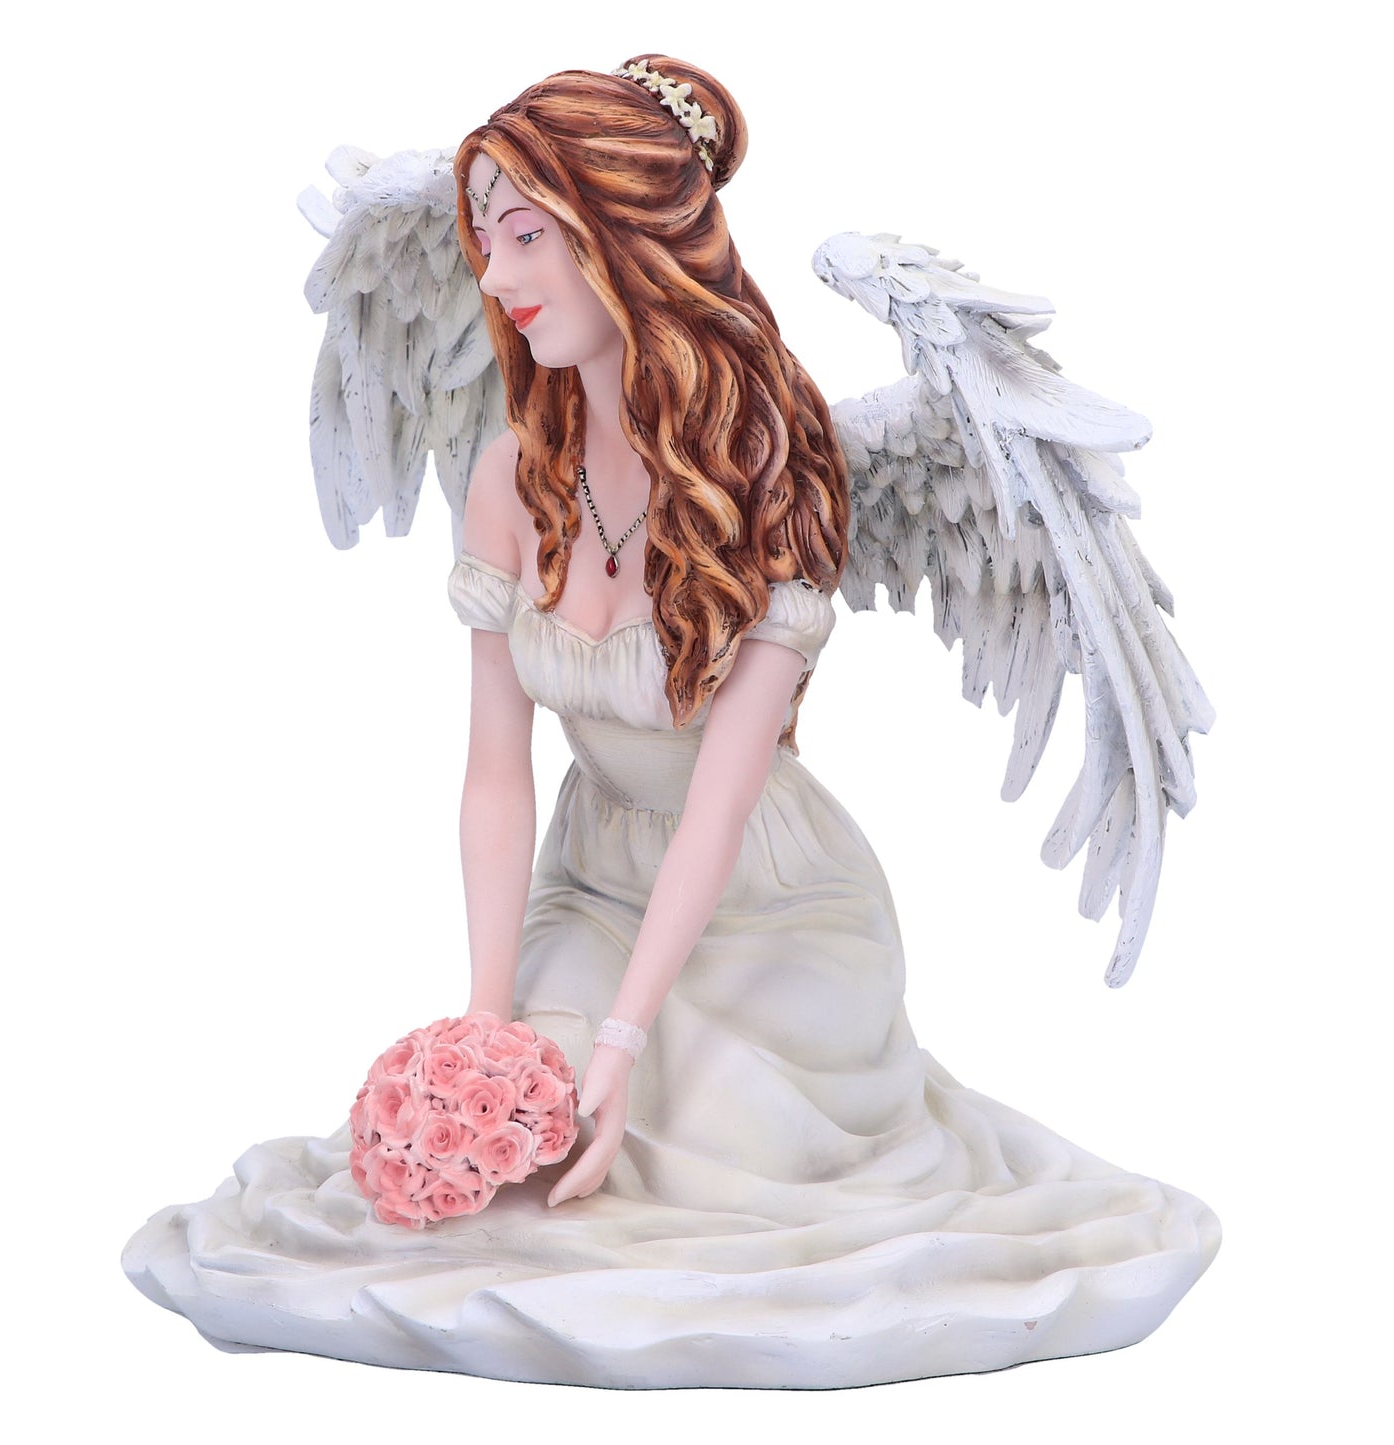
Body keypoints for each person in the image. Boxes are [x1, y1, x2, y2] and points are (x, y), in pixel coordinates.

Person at [123, 57, 1218, 1389]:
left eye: (529, 234)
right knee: (526, 1152)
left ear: (624, 237)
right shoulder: (509, 481)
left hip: (771, 894)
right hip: (589, 880)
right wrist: (485, 1023)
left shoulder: (773, 474)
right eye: (485, 237)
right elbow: (494, 775)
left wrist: (627, 1035)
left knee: (700, 1140)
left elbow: (719, 798)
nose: (496, 274)